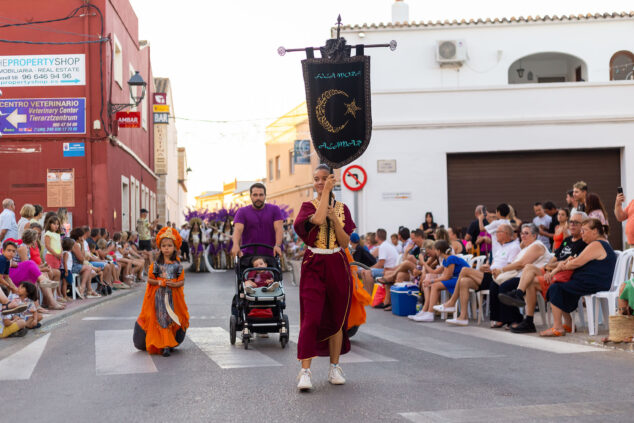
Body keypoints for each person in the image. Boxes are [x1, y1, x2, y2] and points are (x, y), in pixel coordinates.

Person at [293, 164, 355, 391]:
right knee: (310, 318)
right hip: (314, 263)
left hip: (337, 262)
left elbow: (345, 242)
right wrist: (326, 194)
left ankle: (334, 367)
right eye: (316, 179)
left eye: (323, 179)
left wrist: (336, 219)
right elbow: (317, 221)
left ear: (332, 180)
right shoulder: (307, 207)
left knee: (338, 319)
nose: (319, 182)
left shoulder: (343, 209)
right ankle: (305, 371)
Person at [498, 211, 588, 333]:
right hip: (553, 271)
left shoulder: (583, 243)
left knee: (531, 280)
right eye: (571, 222)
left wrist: (553, 267)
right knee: (529, 267)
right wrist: (552, 267)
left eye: (576, 223)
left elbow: (570, 263)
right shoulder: (567, 241)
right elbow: (553, 260)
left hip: (565, 274)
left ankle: (527, 315)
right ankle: (520, 298)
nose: (572, 225)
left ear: (584, 225)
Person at [427, 224, 521, 324]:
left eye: (497, 232)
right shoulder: (500, 248)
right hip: (489, 275)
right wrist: (483, 267)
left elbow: (511, 267)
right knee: (464, 281)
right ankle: (463, 317)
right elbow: (492, 265)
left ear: (505, 234)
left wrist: (496, 270)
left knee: (464, 270)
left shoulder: (514, 247)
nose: (495, 234)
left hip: (499, 277)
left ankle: (452, 302)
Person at [541, 218, 616, 337]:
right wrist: (567, 263)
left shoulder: (597, 244)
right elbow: (577, 261)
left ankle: (558, 327)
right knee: (560, 287)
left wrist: (563, 265)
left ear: (595, 231)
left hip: (595, 282)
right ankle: (567, 324)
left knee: (555, 287)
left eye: (584, 231)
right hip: (594, 281)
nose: (582, 234)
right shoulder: (600, 243)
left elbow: (576, 263)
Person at [133, 227, 189, 356]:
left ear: (175, 247)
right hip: (158, 297)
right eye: (164, 246)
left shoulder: (177, 265)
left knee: (170, 320)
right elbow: (150, 280)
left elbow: (182, 281)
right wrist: (159, 282)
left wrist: (174, 284)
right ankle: (164, 345)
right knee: (161, 319)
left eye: (169, 245)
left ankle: (169, 342)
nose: (167, 248)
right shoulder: (156, 265)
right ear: (160, 247)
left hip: (172, 298)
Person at [487, 224, 553, 329]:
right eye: (522, 233)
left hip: (534, 277)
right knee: (494, 284)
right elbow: (519, 260)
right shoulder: (527, 247)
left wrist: (502, 270)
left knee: (504, 287)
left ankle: (515, 319)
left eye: (526, 233)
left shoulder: (537, 245)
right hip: (522, 276)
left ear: (534, 236)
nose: (523, 235)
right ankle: (501, 318)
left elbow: (521, 264)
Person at [415, 240, 469, 323]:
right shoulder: (445, 260)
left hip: (462, 279)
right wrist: (424, 265)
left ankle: (430, 313)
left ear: (439, 251)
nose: (435, 251)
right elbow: (434, 272)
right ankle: (428, 312)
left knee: (435, 285)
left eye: (435, 249)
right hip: (456, 279)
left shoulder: (450, 258)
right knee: (434, 284)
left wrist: (432, 281)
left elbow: (447, 276)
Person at [232, 183, 283, 258]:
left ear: (265, 196)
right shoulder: (242, 211)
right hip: (248, 255)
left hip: (270, 254)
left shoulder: (275, 209)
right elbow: (238, 230)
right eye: (255, 195)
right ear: (250, 196)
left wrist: (278, 245)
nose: (258, 198)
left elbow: (279, 229)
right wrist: (235, 245)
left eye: (261, 195)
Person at [360, 228, 399, 310]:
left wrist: (370, 268)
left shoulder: (383, 246)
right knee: (365, 271)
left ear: (377, 237)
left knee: (367, 272)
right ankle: (368, 296)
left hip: (389, 270)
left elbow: (381, 264)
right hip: (389, 269)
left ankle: (371, 297)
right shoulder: (385, 245)